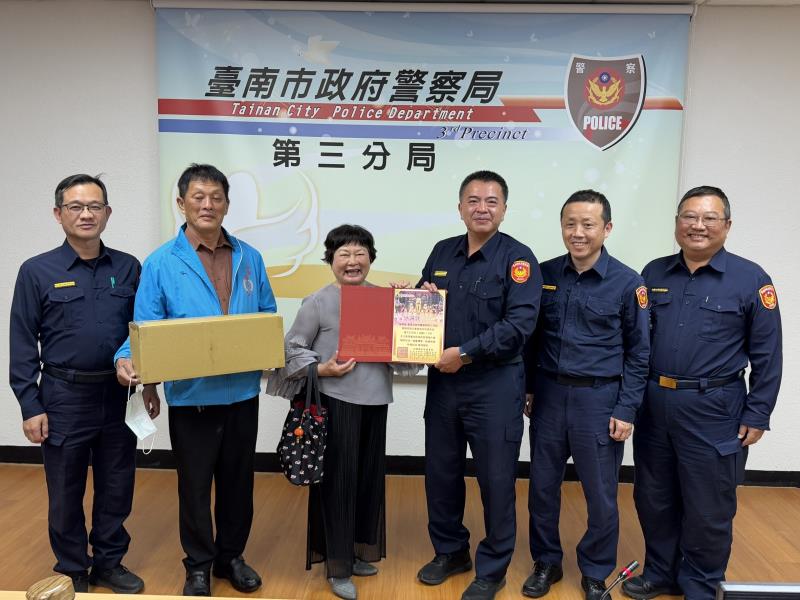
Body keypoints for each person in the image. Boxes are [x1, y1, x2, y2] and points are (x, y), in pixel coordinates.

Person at [113, 164, 277, 596]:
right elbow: (146, 328)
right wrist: (148, 384)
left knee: (239, 483)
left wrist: (268, 351)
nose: (208, 205)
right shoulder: (161, 262)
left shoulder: (249, 257)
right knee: (195, 485)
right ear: (181, 203)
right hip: (192, 396)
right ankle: (199, 565)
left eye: (216, 197)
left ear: (227, 204)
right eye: (198, 197)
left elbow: (266, 313)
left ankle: (231, 557)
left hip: (242, 393)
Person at [623, 186, 782, 600]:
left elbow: (768, 354)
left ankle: (699, 583)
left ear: (726, 225)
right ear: (677, 223)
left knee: (708, 504)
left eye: (709, 218)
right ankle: (661, 573)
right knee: (654, 496)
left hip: (715, 408)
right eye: (689, 217)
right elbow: (635, 341)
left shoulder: (751, 279)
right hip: (655, 404)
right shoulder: (653, 273)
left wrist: (758, 413)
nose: (698, 225)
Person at [10, 174, 149, 594]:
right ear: (59, 214)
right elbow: (22, 341)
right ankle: (72, 567)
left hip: (119, 394)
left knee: (117, 484)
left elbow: (143, 333)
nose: (86, 214)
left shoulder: (128, 267)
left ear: (108, 213)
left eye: (94, 206)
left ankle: (109, 562)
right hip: (63, 396)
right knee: (65, 490)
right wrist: (30, 405)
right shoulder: (37, 271)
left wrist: (149, 387)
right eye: (75, 206)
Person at [268, 224, 417, 600]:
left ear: (371, 258)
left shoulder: (385, 299)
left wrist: (410, 309)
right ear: (331, 260)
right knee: (337, 484)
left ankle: (354, 551)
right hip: (335, 404)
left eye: (360, 253)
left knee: (367, 481)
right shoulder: (317, 301)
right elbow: (290, 350)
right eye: (344, 254)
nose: (352, 261)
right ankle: (337, 566)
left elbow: (408, 354)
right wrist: (323, 369)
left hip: (376, 402)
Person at [416, 171, 542, 600]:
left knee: (496, 479)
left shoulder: (519, 259)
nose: (481, 208)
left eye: (491, 201)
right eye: (473, 200)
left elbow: (519, 326)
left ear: (504, 209)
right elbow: (422, 307)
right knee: (441, 473)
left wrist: (466, 353)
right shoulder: (442, 251)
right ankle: (450, 551)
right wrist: (413, 299)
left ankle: (493, 567)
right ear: (460, 208)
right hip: (444, 386)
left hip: (495, 386)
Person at [522, 190, 649, 600]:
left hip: (600, 400)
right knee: (542, 487)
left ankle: (595, 569)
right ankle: (546, 562)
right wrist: (528, 387)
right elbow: (531, 340)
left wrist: (626, 408)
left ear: (606, 228)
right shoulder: (544, 274)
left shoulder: (628, 282)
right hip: (548, 396)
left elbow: (639, 352)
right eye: (570, 224)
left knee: (601, 494)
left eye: (588, 225)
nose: (578, 233)